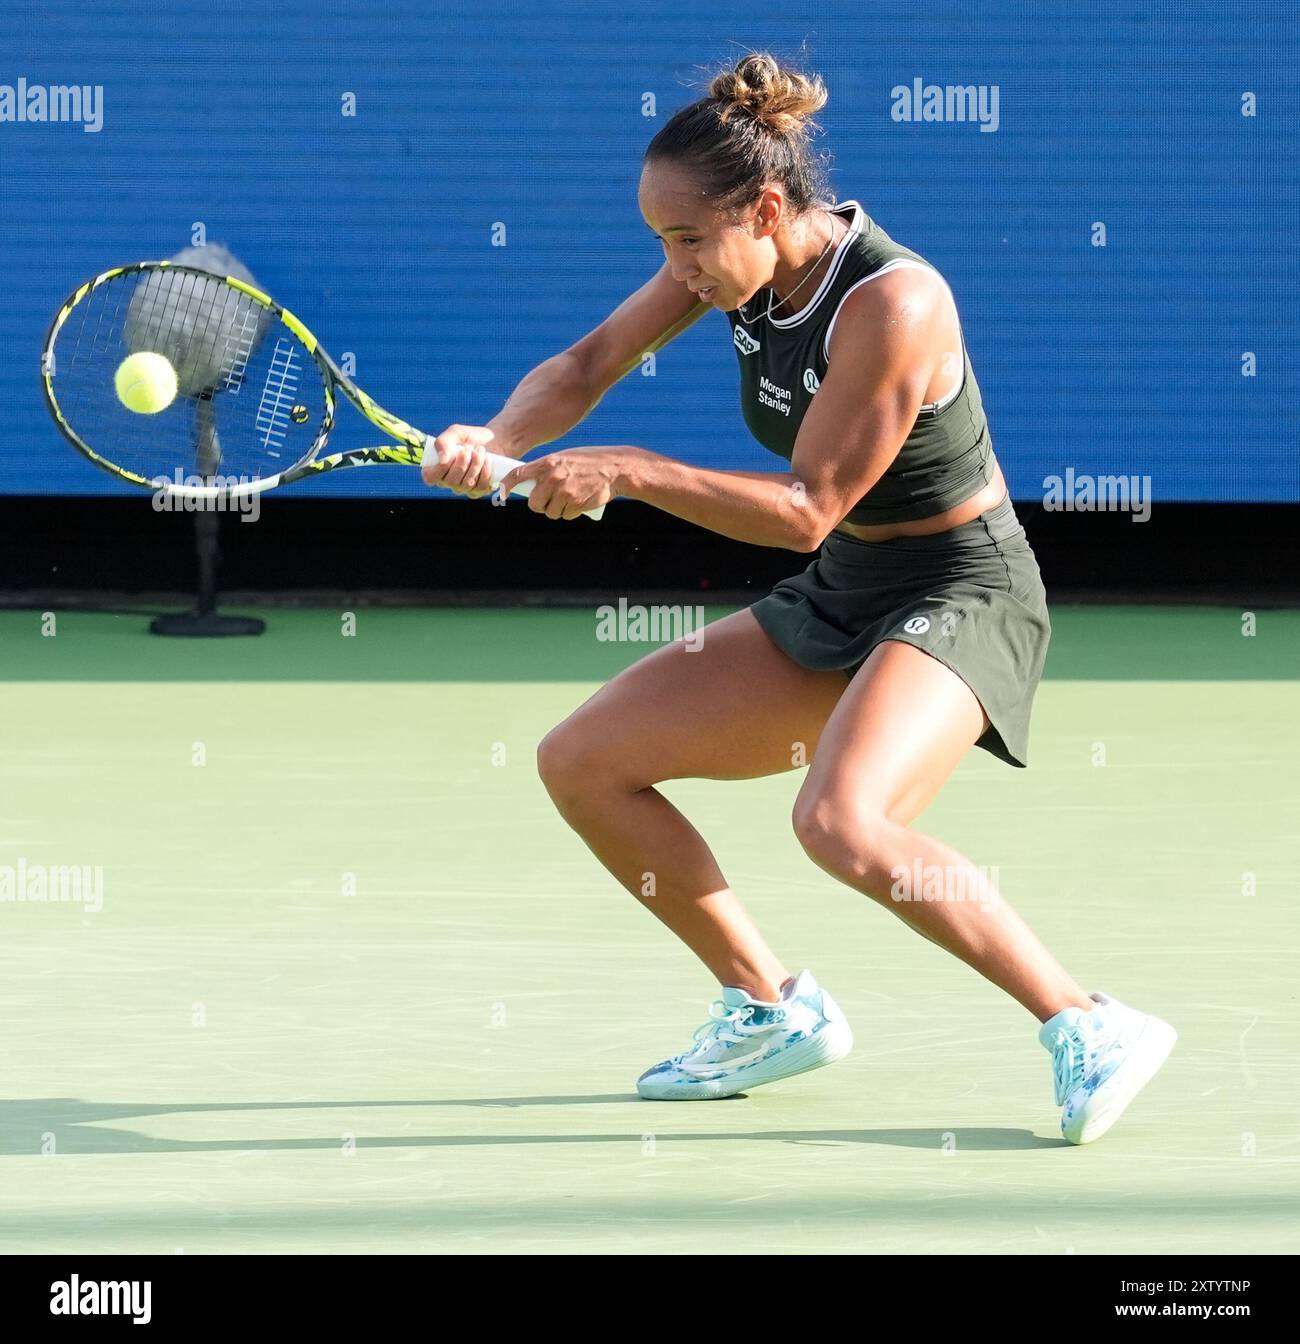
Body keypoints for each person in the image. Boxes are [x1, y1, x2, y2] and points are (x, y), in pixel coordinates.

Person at [421, 52, 1175, 1144]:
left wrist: (623, 471)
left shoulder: (894, 302)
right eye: (659, 244)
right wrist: (495, 441)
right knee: (582, 760)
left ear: (767, 208)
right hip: (851, 586)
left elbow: (803, 507)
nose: (674, 267)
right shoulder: (726, 267)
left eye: (686, 241)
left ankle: (1087, 1022)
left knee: (839, 820)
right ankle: (771, 1008)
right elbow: (586, 365)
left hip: (964, 584)